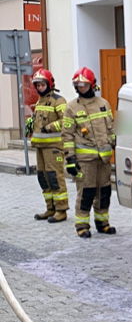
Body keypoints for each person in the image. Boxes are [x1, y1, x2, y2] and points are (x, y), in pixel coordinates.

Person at [61, 67, 117, 238]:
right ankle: (82, 225)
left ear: (92, 85)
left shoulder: (103, 104)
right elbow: (67, 135)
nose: (80, 88)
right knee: (86, 193)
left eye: (84, 85)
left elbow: (111, 129)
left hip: (104, 159)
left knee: (104, 192)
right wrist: (70, 159)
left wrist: (116, 146)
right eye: (78, 85)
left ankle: (103, 223)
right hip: (85, 160)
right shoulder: (71, 108)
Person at [27, 70, 69, 223]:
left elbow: (67, 121)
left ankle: (61, 210)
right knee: (43, 178)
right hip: (40, 146)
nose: (39, 87)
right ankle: (50, 208)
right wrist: (31, 125)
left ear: (49, 84)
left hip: (54, 147)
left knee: (55, 177)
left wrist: (50, 127)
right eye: (37, 85)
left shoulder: (58, 101)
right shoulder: (40, 101)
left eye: (42, 84)